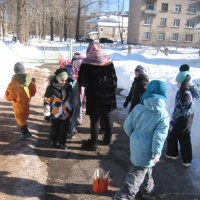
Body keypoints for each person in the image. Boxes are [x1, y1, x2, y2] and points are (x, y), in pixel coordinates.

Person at [114, 80, 170, 200]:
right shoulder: (163, 115)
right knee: (137, 173)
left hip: (136, 144)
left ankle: (147, 190)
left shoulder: (139, 107)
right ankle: (124, 195)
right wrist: (156, 152)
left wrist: (134, 136)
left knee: (145, 169)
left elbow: (127, 125)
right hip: (149, 149)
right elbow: (159, 136)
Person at [78, 41, 117, 151]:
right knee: (108, 116)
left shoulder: (86, 63)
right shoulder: (108, 60)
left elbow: (83, 82)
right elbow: (114, 79)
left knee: (95, 120)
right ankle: (108, 139)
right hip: (108, 95)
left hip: (94, 95)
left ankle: (93, 144)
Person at [166, 64, 200, 167]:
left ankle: (172, 153)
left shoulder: (183, 93)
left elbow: (180, 108)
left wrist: (173, 120)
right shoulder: (191, 90)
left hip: (181, 117)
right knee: (185, 136)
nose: (177, 84)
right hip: (189, 116)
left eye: (179, 82)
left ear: (183, 82)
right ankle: (187, 160)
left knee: (172, 134)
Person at [5, 62, 36, 141]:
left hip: (18, 104)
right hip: (26, 102)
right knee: (23, 116)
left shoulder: (14, 83)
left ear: (15, 71)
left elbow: (9, 96)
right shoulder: (28, 79)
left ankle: (25, 132)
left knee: (20, 117)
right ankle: (20, 125)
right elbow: (33, 92)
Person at [44, 69, 73, 149]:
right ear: (57, 79)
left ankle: (62, 143)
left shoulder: (68, 87)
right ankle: (53, 140)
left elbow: (71, 100)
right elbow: (47, 101)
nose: (64, 82)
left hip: (65, 113)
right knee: (55, 128)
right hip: (55, 112)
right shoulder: (51, 89)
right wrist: (47, 114)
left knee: (64, 129)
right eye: (62, 80)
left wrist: (71, 109)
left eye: (65, 80)